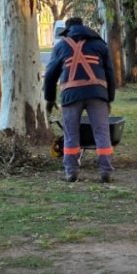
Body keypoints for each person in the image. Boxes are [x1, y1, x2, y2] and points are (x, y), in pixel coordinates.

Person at [44, 17, 116, 183]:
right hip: (97, 94)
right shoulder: (100, 45)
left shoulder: (61, 46)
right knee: (102, 133)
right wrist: (109, 99)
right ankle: (106, 171)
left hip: (71, 95)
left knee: (71, 134)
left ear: (67, 30)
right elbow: (110, 73)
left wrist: (50, 99)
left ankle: (71, 172)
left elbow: (50, 75)